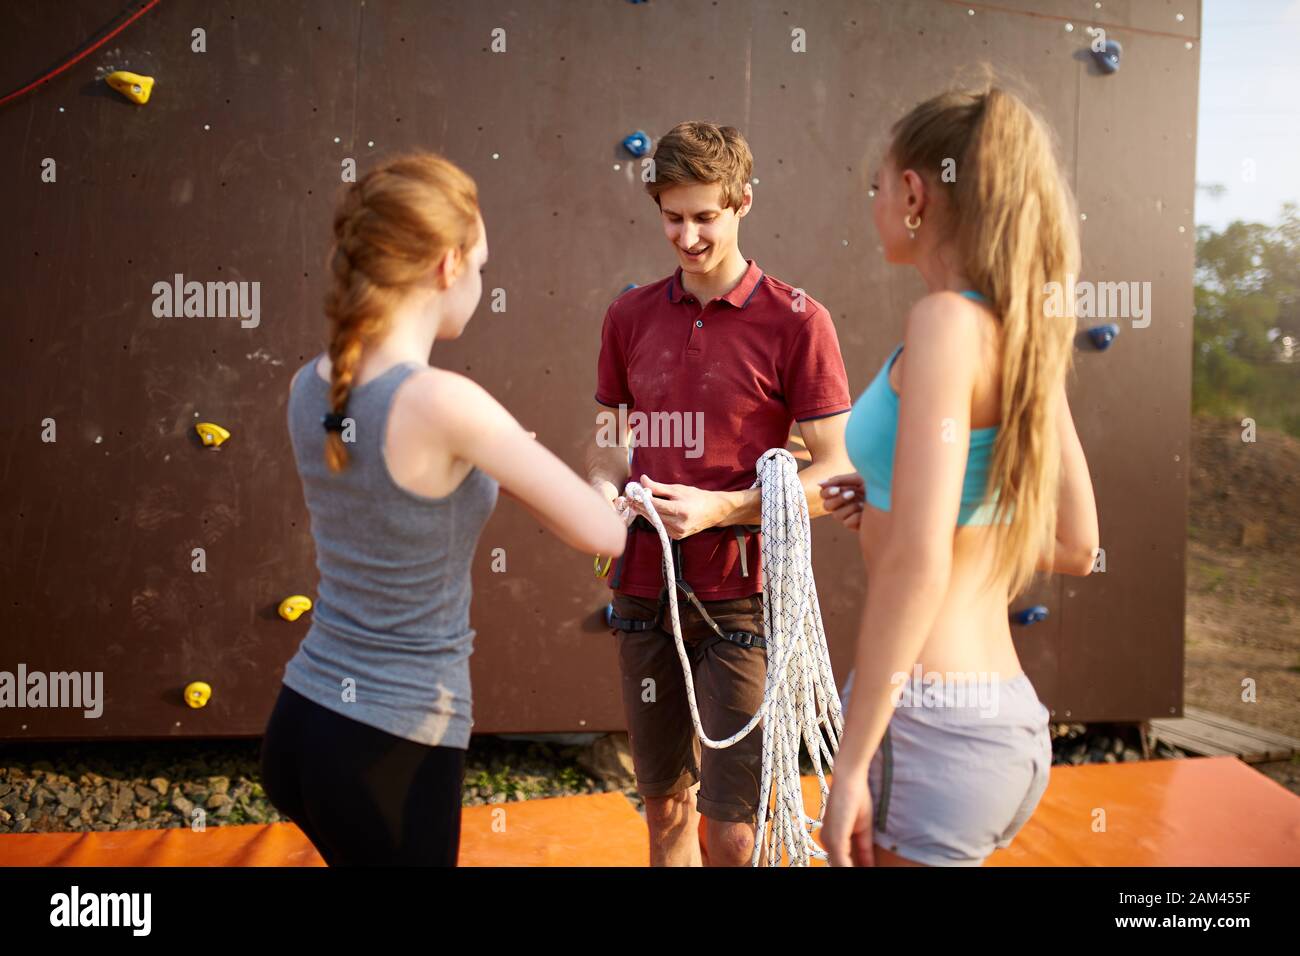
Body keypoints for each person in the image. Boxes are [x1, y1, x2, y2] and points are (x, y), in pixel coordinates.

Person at [260, 152, 626, 866]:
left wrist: (492, 457)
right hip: (389, 744)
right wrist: (612, 467)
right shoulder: (445, 402)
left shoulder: (314, 383)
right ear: (449, 266)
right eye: (483, 266)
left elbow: (392, 491)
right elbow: (602, 530)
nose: (483, 283)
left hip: (303, 726)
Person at [817, 85, 1100, 867]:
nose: (873, 200)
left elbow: (920, 560)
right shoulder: (1021, 336)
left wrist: (848, 769)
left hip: (928, 731)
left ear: (913, 192)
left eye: (878, 184)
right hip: (1006, 727)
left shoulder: (943, 323)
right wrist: (890, 508)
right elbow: (1077, 544)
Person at [586, 122, 855, 866]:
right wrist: (601, 491)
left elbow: (837, 479)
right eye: (673, 216)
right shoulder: (629, 315)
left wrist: (721, 508)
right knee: (665, 808)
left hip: (743, 598)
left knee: (732, 831)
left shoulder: (799, 321)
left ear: (742, 203)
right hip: (644, 593)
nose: (689, 235)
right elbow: (608, 441)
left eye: (706, 216)